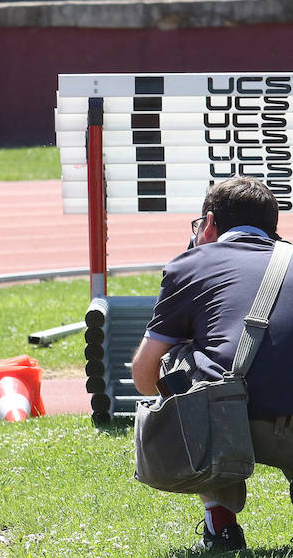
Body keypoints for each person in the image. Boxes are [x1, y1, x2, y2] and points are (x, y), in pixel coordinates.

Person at [132, 177, 293, 552]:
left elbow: (144, 374)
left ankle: (220, 523)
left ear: (208, 223)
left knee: (182, 361)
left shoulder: (190, 265)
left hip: (228, 424)